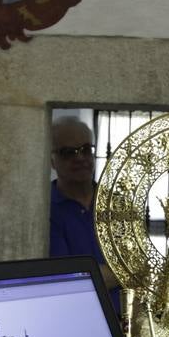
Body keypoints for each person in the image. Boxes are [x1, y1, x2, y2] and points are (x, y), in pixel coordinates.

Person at [49, 116, 119, 300]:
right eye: (68, 152)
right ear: (51, 160)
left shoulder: (116, 204)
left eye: (86, 150)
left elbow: (141, 266)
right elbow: (66, 279)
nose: (80, 158)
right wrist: (123, 272)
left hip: (126, 319)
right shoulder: (45, 209)